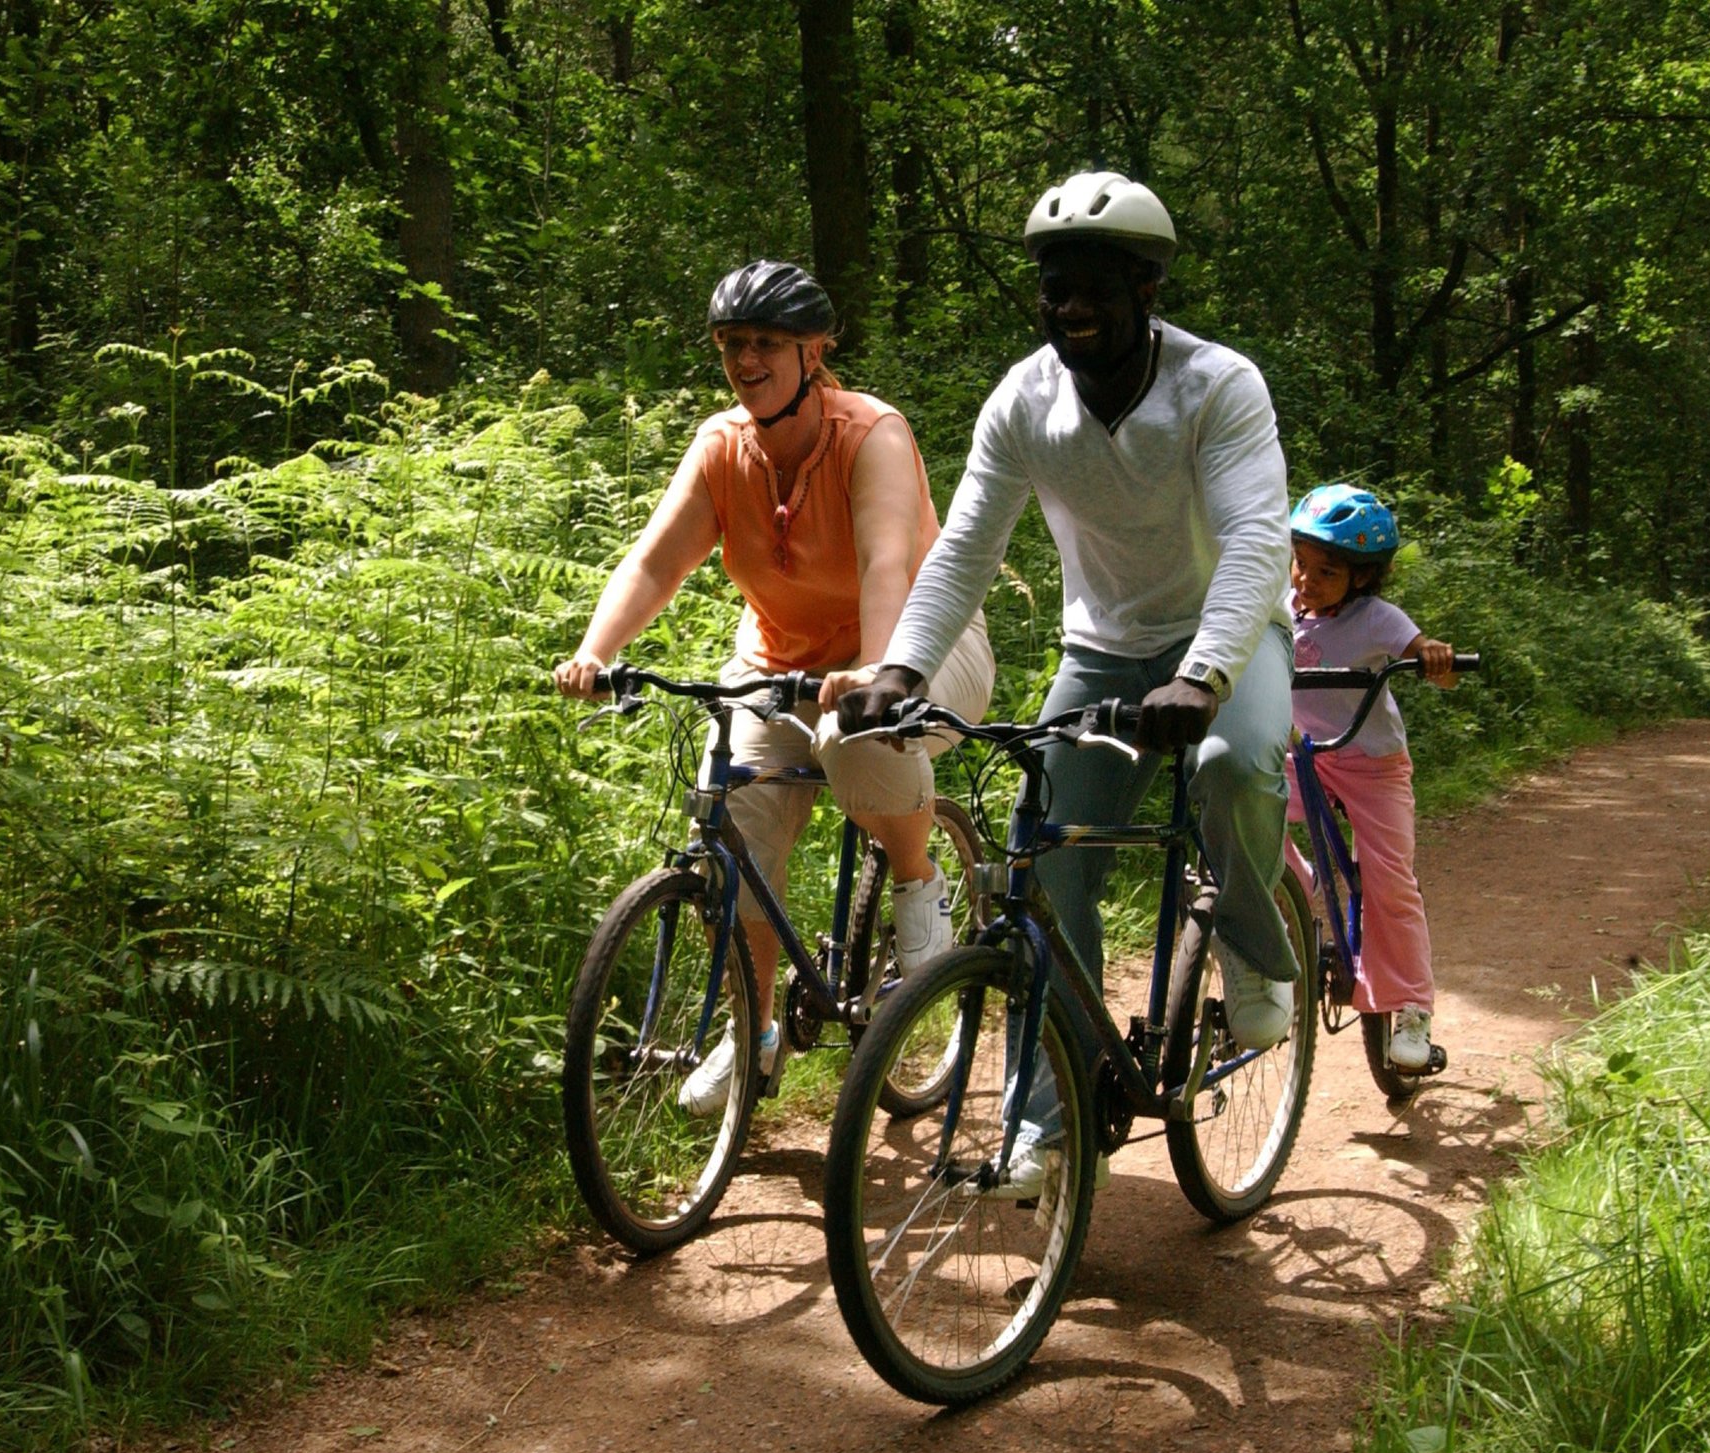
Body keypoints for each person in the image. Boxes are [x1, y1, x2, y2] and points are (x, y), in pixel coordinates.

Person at [839, 172, 1298, 1193]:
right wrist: (902, 666)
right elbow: (962, 547)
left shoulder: (1218, 386)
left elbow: (1259, 539)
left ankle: (1259, 954)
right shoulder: (1024, 400)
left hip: (1227, 639)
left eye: (1093, 283)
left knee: (1233, 764)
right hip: (1102, 648)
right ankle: (1047, 1123)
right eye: (1053, 286)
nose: (1069, 304)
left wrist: (1206, 674)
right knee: (1039, 862)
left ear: (1145, 287)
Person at [554, 260, 995, 1115]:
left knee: (859, 743)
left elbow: (887, 564)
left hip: (919, 644)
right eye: (731, 344)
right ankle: (751, 1031)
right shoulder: (724, 446)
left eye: (764, 343)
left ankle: (916, 881)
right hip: (780, 660)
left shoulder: (873, 435)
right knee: (733, 822)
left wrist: (874, 671)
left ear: (812, 352)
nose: (745, 360)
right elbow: (656, 560)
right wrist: (594, 650)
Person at [1285, 483, 1456, 1070]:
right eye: (1300, 563)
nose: (1306, 580)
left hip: (1372, 765)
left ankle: (1410, 1008)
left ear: (1360, 577)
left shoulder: (1378, 619)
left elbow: (1428, 655)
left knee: (1388, 880)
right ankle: (1299, 892)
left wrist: (1434, 657)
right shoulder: (1282, 608)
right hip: (1307, 756)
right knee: (1240, 809)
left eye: (1326, 571)